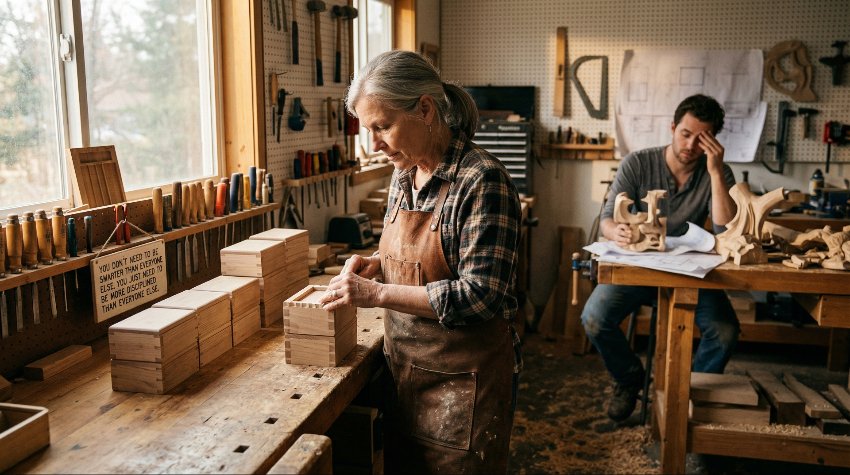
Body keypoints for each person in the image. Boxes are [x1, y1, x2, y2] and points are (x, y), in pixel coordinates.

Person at [321, 50, 522, 473]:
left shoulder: (482, 180)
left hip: (465, 387)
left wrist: (376, 294)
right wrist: (378, 263)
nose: (374, 145)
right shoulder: (404, 174)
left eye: (382, 127)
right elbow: (424, 255)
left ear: (426, 110)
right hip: (405, 376)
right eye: (368, 130)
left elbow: (480, 296)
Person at [582, 94, 739, 422]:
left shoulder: (718, 171)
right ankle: (629, 378)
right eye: (685, 134)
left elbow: (726, 228)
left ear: (713, 141)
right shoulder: (638, 163)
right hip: (639, 267)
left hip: (688, 271)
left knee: (724, 331)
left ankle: (689, 395)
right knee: (594, 318)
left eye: (702, 139)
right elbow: (608, 217)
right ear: (672, 127)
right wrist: (616, 232)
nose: (691, 145)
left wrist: (714, 171)